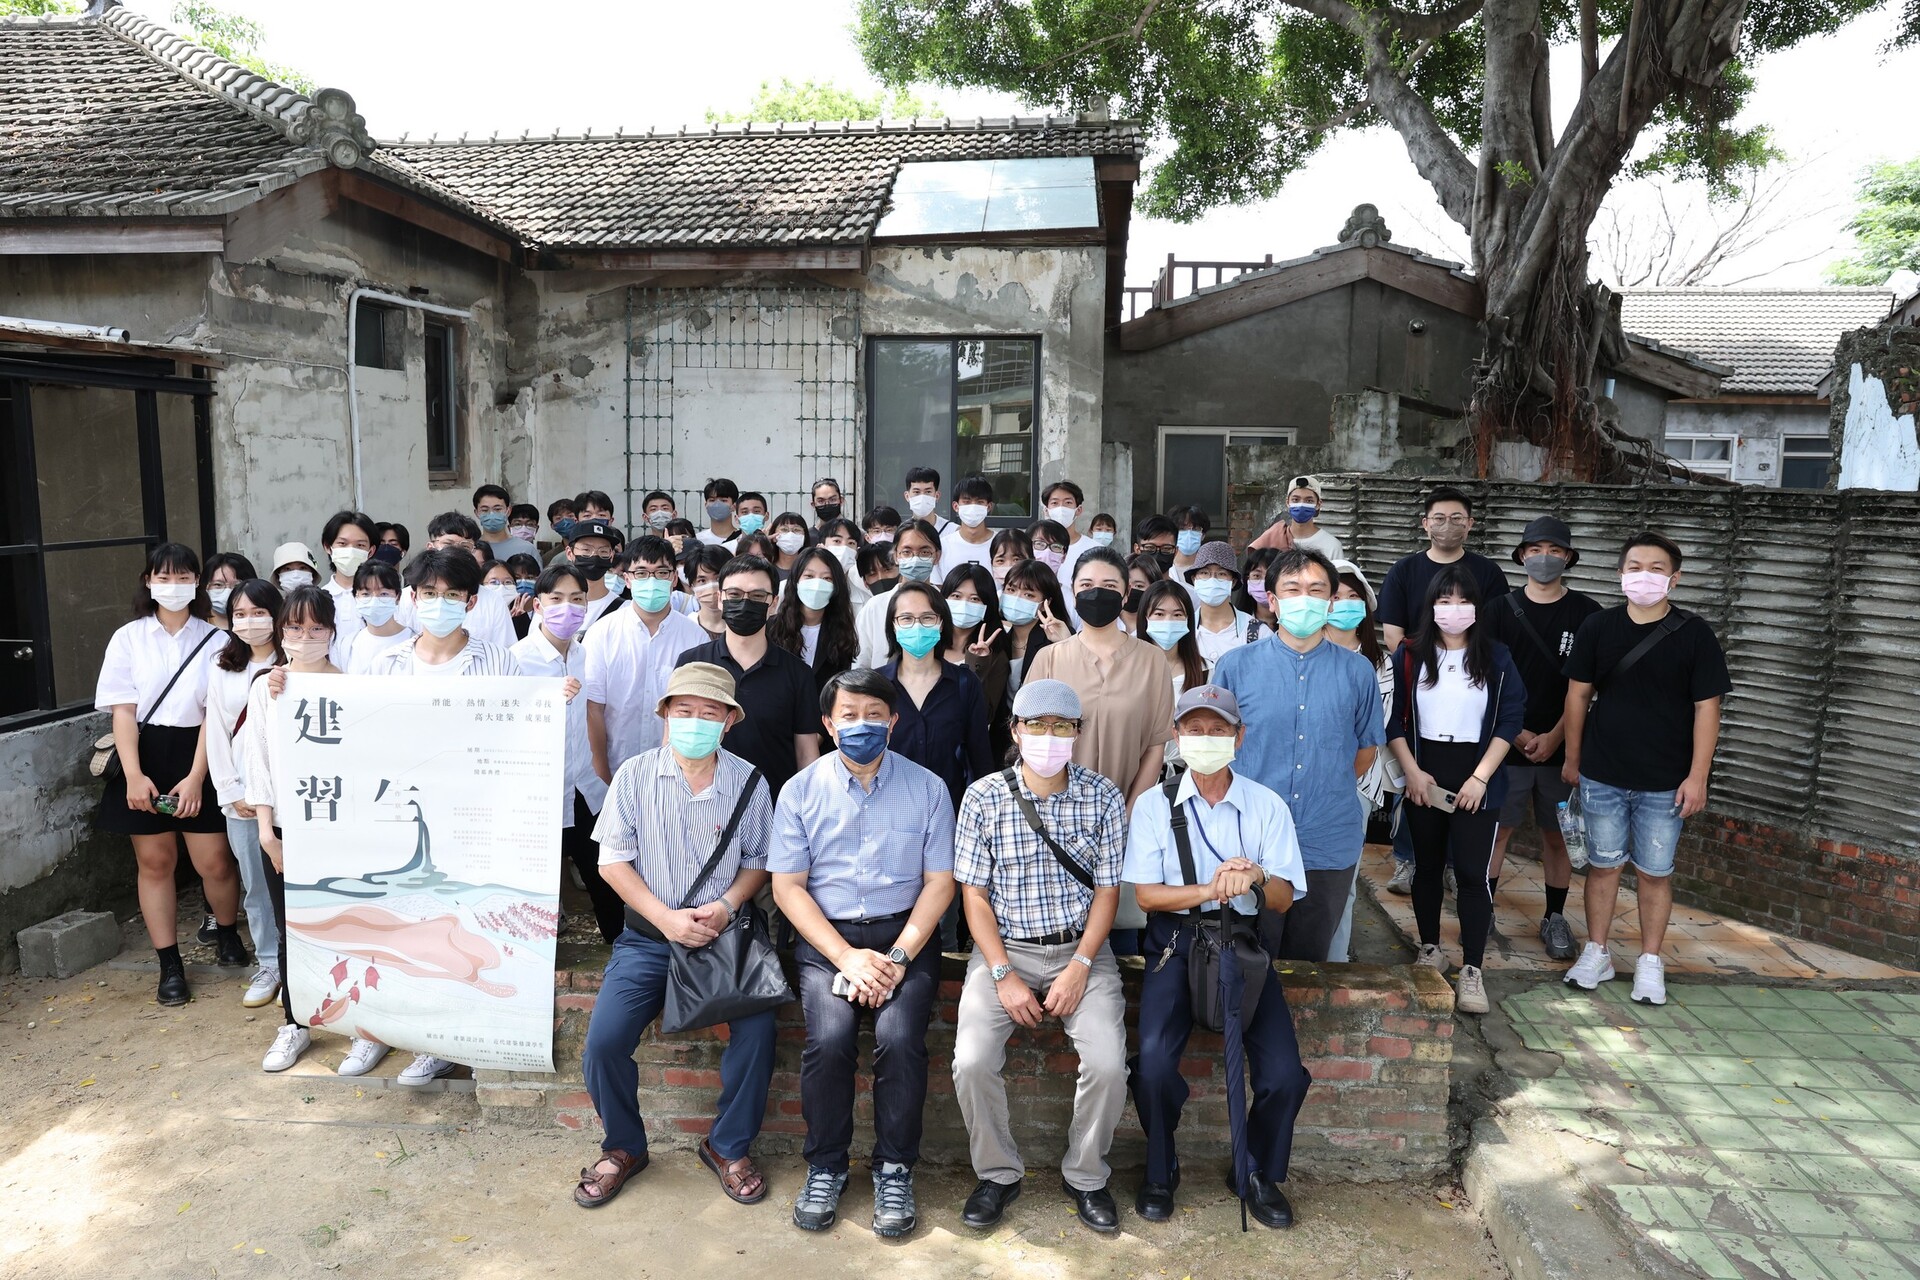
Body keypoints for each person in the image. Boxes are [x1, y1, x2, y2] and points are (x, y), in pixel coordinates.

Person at [573, 664, 780, 1208]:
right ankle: (624, 1147)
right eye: (683, 711)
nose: (694, 722)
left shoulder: (751, 782)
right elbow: (612, 863)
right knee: (603, 1044)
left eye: (709, 713)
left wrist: (725, 905)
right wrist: (665, 919)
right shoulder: (634, 775)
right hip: (647, 937)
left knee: (757, 1031)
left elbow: (759, 863)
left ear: (729, 721)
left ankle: (727, 1146)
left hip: (724, 936)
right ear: (665, 714)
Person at [770, 669, 957, 1238]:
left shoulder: (928, 788)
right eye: (847, 715)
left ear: (893, 721)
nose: (861, 725)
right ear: (827, 725)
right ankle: (825, 1165)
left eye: (874, 714)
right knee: (828, 1042)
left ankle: (895, 1169)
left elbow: (940, 882)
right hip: (827, 940)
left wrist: (896, 959)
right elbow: (788, 888)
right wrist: (847, 958)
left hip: (906, 938)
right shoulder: (800, 791)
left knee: (900, 1041)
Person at [1125, 684, 1311, 1229]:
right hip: (1177, 944)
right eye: (1194, 729)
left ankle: (1254, 1169)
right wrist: (1210, 889)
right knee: (1154, 1066)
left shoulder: (1265, 805)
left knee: (1284, 1074)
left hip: (1244, 946)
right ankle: (1161, 1168)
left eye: (1218, 729)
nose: (1205, 739)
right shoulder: (1156, 806)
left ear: (1239, 736)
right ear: (1177, 737)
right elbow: (1147, 896)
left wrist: (1255, 874)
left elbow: (1282, 899)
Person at [951, 680, 1128, 1234]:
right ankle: (999, 1173)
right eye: (1037, 725)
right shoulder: (982, 797)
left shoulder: (1103, 796)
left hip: (1083, 952)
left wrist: (1080, 965)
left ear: (1078, 733)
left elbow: (1107, 892)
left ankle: (1086, 1175)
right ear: (1015, 731)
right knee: (972, 1061)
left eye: (1062, 726)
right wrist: (1002, 974)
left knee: (1107, 1064)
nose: (1048, 737)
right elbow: (974, 896)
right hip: (1004, 951)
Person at [1561, 532, 1729, 1007]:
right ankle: (1597, 951)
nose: (1645, 576)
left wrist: (1698, 776)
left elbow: (1707, 708)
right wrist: (1573, 758)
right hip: (1603, 772)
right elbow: (1577, 695)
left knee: (1655, 872)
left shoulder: (1694, 634)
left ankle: (1650, 961)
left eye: (1657, 569)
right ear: (1620, 573)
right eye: (1635, 566)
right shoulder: (1598, 627)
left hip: (1666, 781)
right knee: (1603, 866)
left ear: (1674, 579)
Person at [1212, 549, 1384, 962]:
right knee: (1246, 957)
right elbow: (1217, 749)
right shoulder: (1235, 666)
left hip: (1327, 837)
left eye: (1316, 590)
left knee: (1311, 962)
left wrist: (1325, 782)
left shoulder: (1358, 671)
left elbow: (1364, 751)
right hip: (1249, 839)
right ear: (1272, 600)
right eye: (1292, 589)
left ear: (1329, 602)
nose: (1304, 598)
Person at [95, 543, 241, 1006]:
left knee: (214, 861)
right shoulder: (128, 638)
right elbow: (123, 712)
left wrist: (198, 776)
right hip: (144, 752)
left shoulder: (218, 640)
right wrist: (134, 776)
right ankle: (169, 964)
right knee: (155, 863)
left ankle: (228, 933)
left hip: (200, 751)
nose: (173, 586)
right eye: (164, 576)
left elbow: (214, 714)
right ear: (148, 581)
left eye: (183, 577)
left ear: (196, 582)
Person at [1386, 567, 1526, 1015]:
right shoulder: (1409, 655)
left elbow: (1510, 719)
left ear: (1476, 609)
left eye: (1462, 601)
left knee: (1471, 873)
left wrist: (1481, 777)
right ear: (1430, 607)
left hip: (1476, 776)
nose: (1453, 609)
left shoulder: (1497, 657)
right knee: (1425, 867)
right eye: (1443, 601)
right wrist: (1412, 772)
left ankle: (1472, 969)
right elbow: (1392, 720)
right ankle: (1429, 948)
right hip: (1424, 774)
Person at [1029, 547, 1175, 951]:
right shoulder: (1049, 658)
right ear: (1072, 592)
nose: (1098, 593)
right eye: (1087, 585)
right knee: (1056, 931)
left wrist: (1126, 815)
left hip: (1123, 821)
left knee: (1120, 936)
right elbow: (1031, 739)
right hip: (1054, 817)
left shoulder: (1151, 661)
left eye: (1109, 585)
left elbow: (1155, 746)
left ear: (1127, 593)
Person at [1485, 517, 1601, 961]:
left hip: (1562, 750)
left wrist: (1556, 737)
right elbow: (1485, 679)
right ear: (1521, 556)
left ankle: (1554, 916)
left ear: (1568, 557)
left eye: (1554, 549)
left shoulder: (1588, 614)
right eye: (1534, 549)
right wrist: (1516, 733)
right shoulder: (1498, 610)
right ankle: (1485, 909)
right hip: (1506, 746)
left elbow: (1588, 689)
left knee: (1558, 837)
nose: (1544, 557)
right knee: (1498, 832)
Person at [245, 586, 346, 1074]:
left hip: (341, 830)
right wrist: (267, 833)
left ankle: (361, 1024)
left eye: (316, 628)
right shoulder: (268, 685)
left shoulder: (351, 686)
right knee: (293, 929)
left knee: (346, 925)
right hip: (286, 830)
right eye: (294, 627)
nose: (305, 637)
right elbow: (258, 764)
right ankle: (295, 1023)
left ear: (331, 631)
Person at [512, 564, 620, 943]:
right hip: (538, 793)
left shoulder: (582, 652)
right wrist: (546, 700)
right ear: (537, 605)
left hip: (583, 786)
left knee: (603, 874)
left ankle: (616, 948)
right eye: (556, 599)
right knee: (536, 882)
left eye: (576, 600)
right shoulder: (517, 659)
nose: (567, 608)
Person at [675, 554, 822, 798]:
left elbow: (806, 754)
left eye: (757, 596)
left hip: (773, 812)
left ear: (773, 603)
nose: (745, 603)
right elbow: (672, 741)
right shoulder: (691, 663)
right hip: (699, 808)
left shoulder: (797, 673)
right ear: (720, 598)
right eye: (734, 595)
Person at [203, 577, 283, 1010]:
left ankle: (299, 964)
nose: (249, 622)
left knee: (298, 883)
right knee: (256, 883)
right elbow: (215, 731)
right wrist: (231, 791)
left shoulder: (301, 660)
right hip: (243, 798)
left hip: (293, 796)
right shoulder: (222, 667)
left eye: (259, 612)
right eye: (240, 614)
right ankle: (269, 962)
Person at [1322, 560, 1398, 963]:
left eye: (1354, 597)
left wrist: (1337, 782)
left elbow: (1371, 734)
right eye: (1335, 597)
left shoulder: (1380, 666)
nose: (1344, 605)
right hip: (1295, 784)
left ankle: (1335, 962)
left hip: (1354, 787)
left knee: (1343, 882)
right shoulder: (1304, 653)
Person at [585, 535, 707, 785]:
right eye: (641, 572)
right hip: (614, 770)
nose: (651, 581)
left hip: (676, 777)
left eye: (661, 572)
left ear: (674, 578)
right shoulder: (602, 632)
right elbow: (593, 710)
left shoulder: (696, 638)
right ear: (627, 579)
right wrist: (603, 777)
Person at [879, 581, 995, 812]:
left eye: (927, 618)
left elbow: (980, 758)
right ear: (893, 625)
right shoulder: (875, 687)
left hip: (950, 813)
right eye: (906, 618)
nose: (917, 626)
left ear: (941, 623)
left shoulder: (964, 683)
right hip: (888, 813)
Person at [1376, 486, 1511, 651]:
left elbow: (1496, 632)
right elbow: (1392, 635)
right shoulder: (1402, 571)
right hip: (1419, 670)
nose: (1447, 525)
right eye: (1439, 518)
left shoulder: (1489, 572)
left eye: (1456, 518)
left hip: (1475, 670)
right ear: (1425, 524)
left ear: (1470, 524)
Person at [767, 545, 860, 700]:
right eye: (809, 576)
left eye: (827, 578)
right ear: (796, 580)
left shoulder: (843, 631)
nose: (817, 585)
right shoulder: (772, 628)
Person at [941, 564, 1011, 756]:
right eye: (956, 596)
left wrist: (976, 663)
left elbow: (985, 715)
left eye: (975, 599)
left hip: (963, 751)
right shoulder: (926, 642)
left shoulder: (996, 656)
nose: (964, 604)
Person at [856, 519, 941, 667]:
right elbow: (861, 665)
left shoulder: (947, 605)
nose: (915, 559)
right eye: (907, 552)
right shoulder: (875, 607)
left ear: (937, 556)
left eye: (925, 552)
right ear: (896, 556)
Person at [1001, 559, 1073, 697]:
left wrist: (1066, 644)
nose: (1017, 598)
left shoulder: (1058, 638)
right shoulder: (998, 639)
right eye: (1011, 590)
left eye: (1028, 594)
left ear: (1045, 603)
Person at [1188, 540, 1266, 665]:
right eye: (1204, 573)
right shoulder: (1183, 629)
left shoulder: (1258, 632)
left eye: (1221, 574)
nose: (1212, 579)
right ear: (1194, 579)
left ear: (1233, 581)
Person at [1250, 475, 1346, 561]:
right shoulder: (1271, 539)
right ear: (1287, 502)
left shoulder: (1331, 546)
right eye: (1295, 499)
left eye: (1309, 500)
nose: (1301, 505)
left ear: (1318, 504)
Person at [1140, 580, 1207, 699]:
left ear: (1188, 619)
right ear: (1146, 617)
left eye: (1177, 615)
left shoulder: (1205, 670)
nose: (1168, 621)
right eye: (1159, 614)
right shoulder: (1128, 667)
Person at [345, 560, 413, 674]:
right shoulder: (348, 644)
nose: (374, 600)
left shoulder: (413, 642)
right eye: (366, 594)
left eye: (384, 594)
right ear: (355, 596)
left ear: (398, 597)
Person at [561, 517, 627, 631]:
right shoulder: (553, 606)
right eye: (586, 550)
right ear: (569, 553)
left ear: (611, 556)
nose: (595, 556)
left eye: (603, 551)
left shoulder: (625, 609)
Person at [1041, 480, 1095, 582]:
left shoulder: (1094, 549)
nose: (1061, 508)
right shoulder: (1036, 548)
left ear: (1078, 510)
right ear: (1046, 510)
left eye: (1068, 503)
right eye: (1055, 503)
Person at [939, 474, 996, 571]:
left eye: (979, 502)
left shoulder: (1000, 544)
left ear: (989, 507)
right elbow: (938, 585)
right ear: (956, 506)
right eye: (967, 502)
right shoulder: (943, 546)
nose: (973, 506)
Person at [475, 483, 537, 562]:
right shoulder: (471, 549)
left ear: (508, 511)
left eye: (497, 509)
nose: (491, 514)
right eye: (485, 510)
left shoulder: (527, 549)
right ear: (477, 513)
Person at [681, 543, 731, 639]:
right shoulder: (684, 628)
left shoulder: (743, 627)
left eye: (718, 579)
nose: (712, 587)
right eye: (702, 581)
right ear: (692, 586)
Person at [202, 551, 257, 631]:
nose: (228, 593)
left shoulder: (261, 628)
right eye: (218, 585)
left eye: (237, 586)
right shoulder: (194, 628)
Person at [1122, 552, 1165, 636]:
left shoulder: (1161, 627)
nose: (1131, 590)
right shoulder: (1106, 622)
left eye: (1139, 586)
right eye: (1127, 585)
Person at [903, 465, 954, 537]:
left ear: (937, 496)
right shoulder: (902, 532)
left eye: (928, 492)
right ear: (907, 496)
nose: (922, 497)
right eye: (917, 492)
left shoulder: (952, 531)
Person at [1166, 506, 1210, 582]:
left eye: (1195, 529)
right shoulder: (1163, 569)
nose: (1189, 534)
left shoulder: (1211, 571)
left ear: (1203, 535)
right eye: (1182, 528)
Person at [697, 478, 742, 547]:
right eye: (712, 500)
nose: (717, 504)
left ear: (734, 506)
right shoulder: (698, 540)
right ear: (706, 505)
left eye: (723, 500)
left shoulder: (742, 539)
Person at [769, 511, 812, 576]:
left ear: (804, 537)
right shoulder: (767, 570)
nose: (790, 534)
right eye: (784, 530)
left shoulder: (811, 570)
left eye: (797, 530)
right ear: (774, 537)